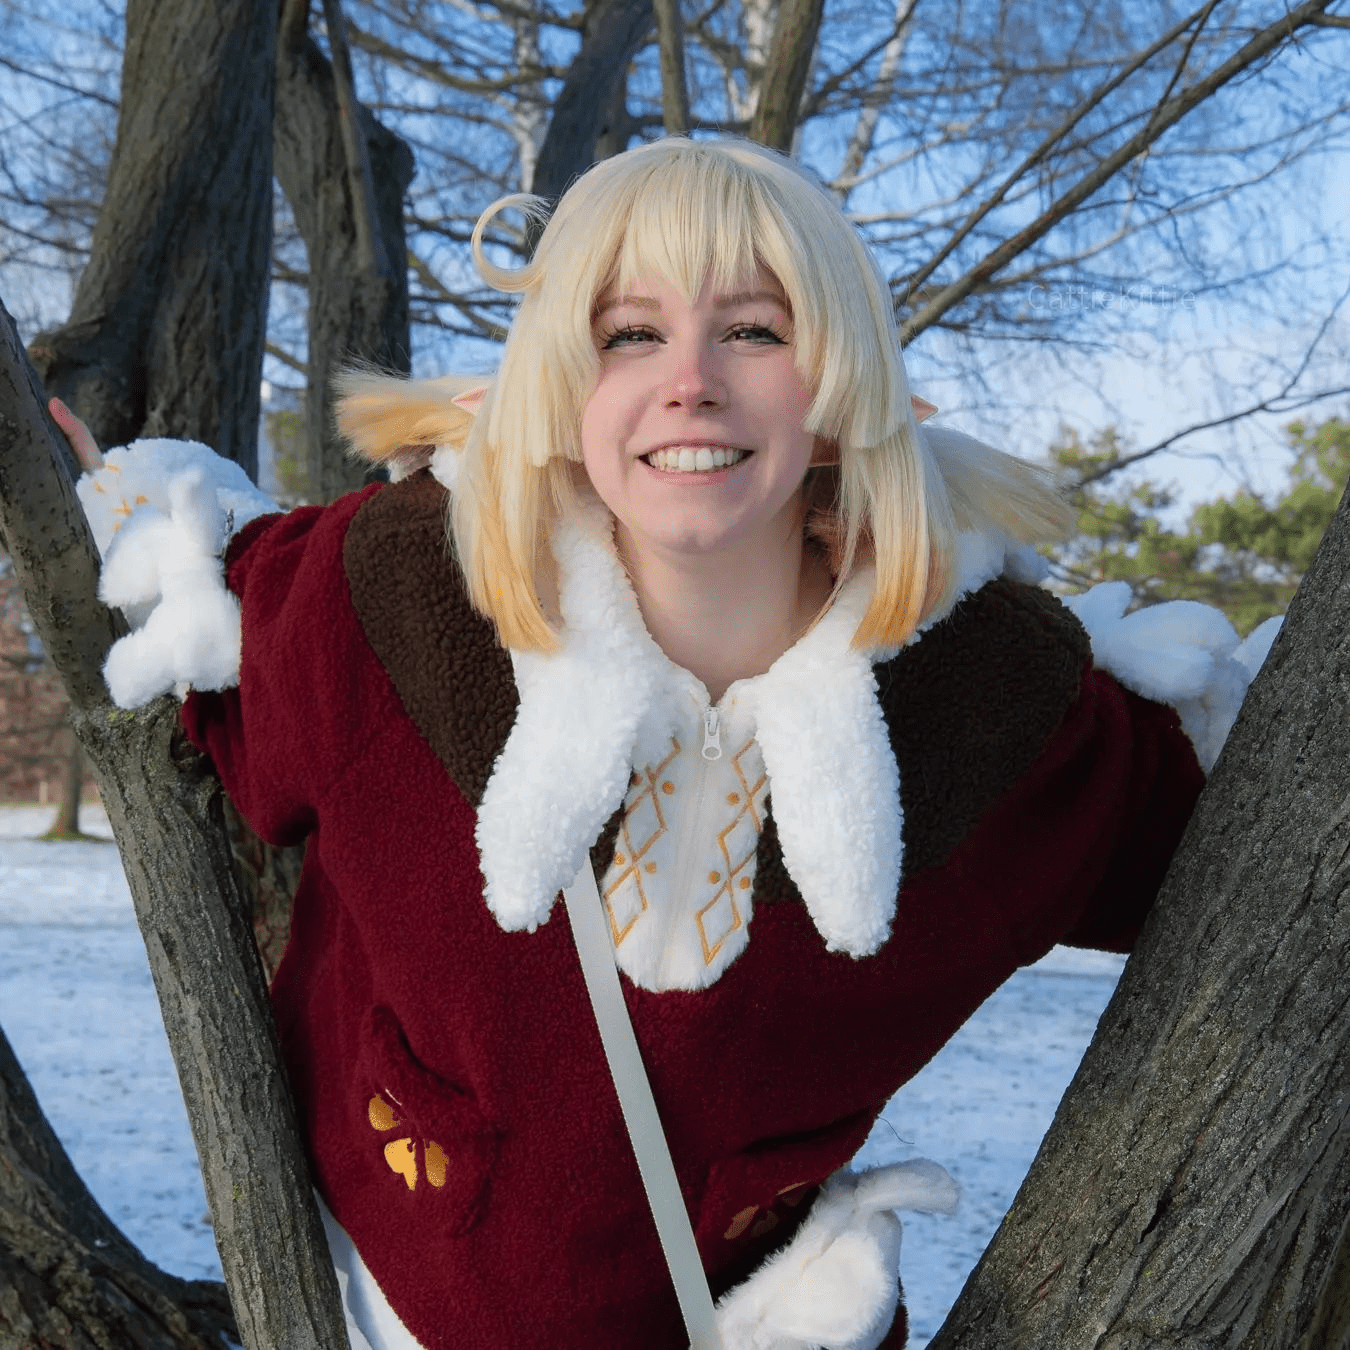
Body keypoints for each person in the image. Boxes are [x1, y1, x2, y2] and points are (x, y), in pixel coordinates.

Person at [65, 136, 1276, 1350]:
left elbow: (1247, 854)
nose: (691, 380)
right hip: (365, 1297)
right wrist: (120, 512)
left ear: (842, 383)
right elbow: (223, 630)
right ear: (560, 385)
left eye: (755, 330)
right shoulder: (390, 592)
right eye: (629, 334)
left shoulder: (1004, 702)